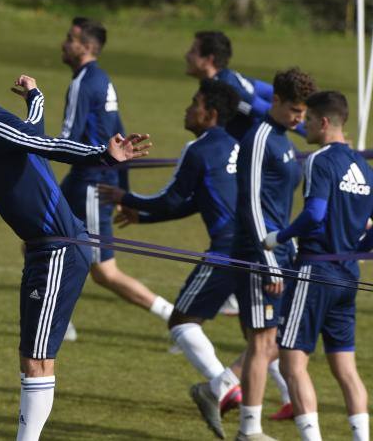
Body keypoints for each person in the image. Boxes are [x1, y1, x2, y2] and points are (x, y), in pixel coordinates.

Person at [0, 70, 151, 441]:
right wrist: (36, 97)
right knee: (31, 358)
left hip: (58, 250)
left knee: (37, 360)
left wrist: (103, 154)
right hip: (42, 250)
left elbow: (44, 143)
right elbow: (31, 129)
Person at [100, 80, 246, 431]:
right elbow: (195, 202)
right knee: (262, 333)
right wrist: (143, 218)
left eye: (194, 103)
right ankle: (280, 407)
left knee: (181, 321)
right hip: (259, 248)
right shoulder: (238, 146)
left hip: (228, 250)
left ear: (210, 114)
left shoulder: (198, 150)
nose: (187, 109)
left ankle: (221, 387)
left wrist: (125, 197)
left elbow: (169, 198)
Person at [56, 17, 173, 341]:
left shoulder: (83, 83)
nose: (63, 44)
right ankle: (58, 322)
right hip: (82, 180)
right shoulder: (103, 79)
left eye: (70, 39)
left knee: (104, 272)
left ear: (86, 47)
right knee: (37, 241)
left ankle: (176, 319)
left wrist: (26, 146)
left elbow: (66, 139)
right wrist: (126, 192)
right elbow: (122, 139)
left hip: (93, 185)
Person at [264, 91, 371, 441]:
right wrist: (353, 250)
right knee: (346, 370)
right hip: (348, 276)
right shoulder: (365, 168)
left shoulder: (318, 161)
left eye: (308, 120)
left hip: (314, 272)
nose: (303, 125)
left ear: (324, 122)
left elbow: (314, 215)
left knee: (292, 362)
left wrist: (279, 237)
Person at [230, 68, 318, 441]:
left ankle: (221, 388)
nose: (300, 118)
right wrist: (268, 264)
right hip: (257, 255)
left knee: (273, 340)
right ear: (276, 101)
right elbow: (251, 205)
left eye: (304, 113)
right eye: (294, 110)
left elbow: (280, 209)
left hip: (280, 254)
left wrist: (290, 250)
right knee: (263, 342)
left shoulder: (284, 139)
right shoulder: (260, 138)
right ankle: (249, 430)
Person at [185, 30, 293, 141]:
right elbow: (271, 92)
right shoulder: (229, 75)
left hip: (261, 148)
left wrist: (300, 123)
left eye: (193, 51)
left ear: (208, 59)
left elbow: (271, 111)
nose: (187, 55)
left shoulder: (224, 88)